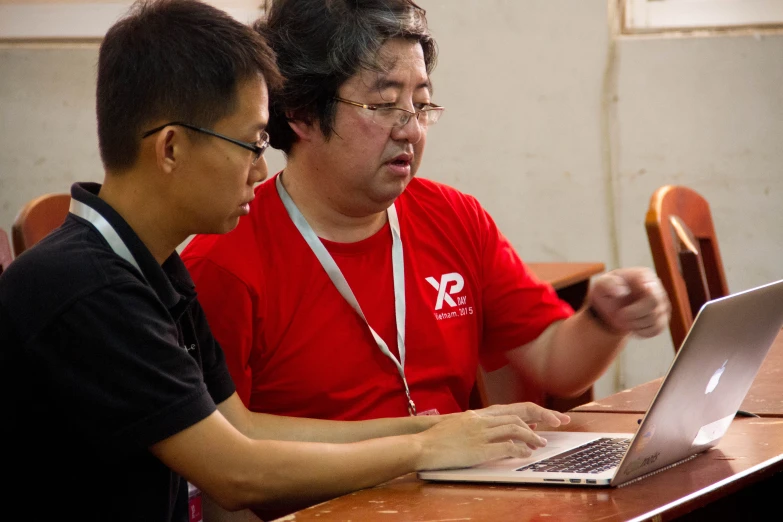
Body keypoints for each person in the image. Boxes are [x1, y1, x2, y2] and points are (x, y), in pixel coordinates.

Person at [0, 1, 572, 521]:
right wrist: (425, 448)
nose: (260, 166)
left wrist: (441, 426)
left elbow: (245, 427)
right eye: (250, 143)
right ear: (171, 147)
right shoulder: (83, 285)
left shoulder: (151, 267)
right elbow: (237, 471)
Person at [181, 0, 671, 424]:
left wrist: (604, 320)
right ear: (301, 113)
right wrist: (424, 442)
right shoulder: (224, 263)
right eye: (384, 104)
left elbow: (551, 358)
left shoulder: (454, 217)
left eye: (421, 104)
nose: (411, 130)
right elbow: (229, 464)